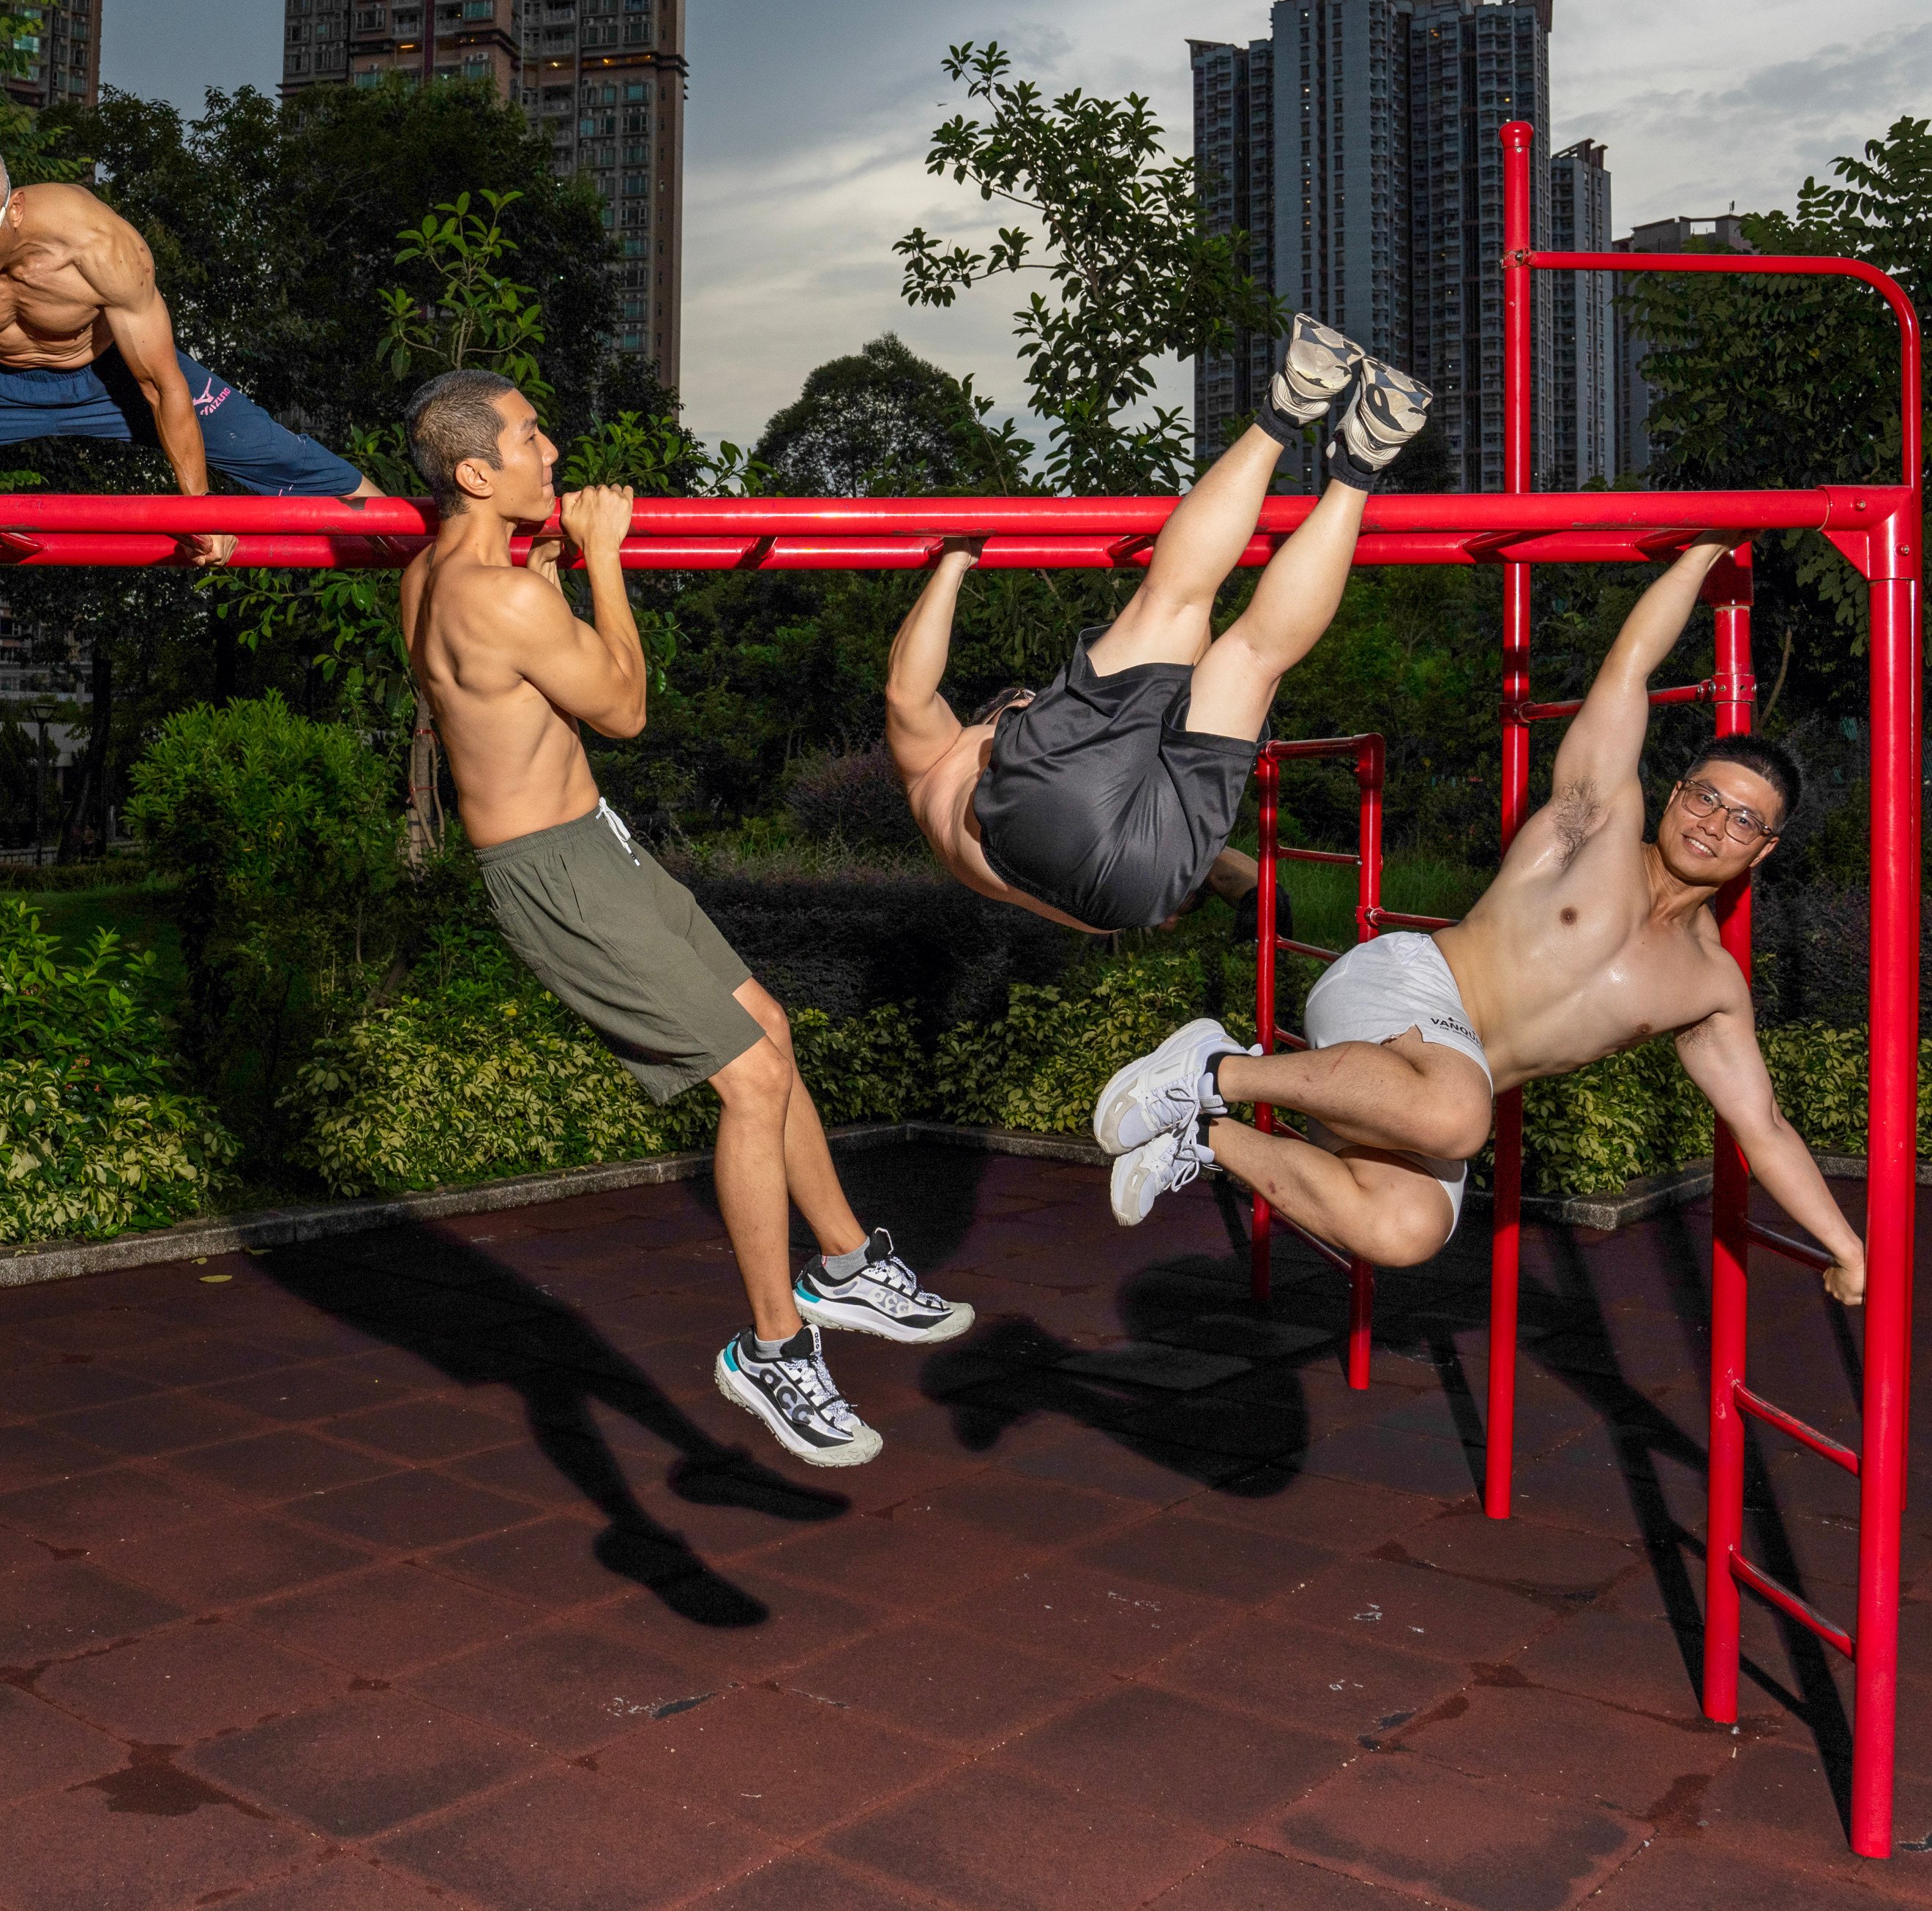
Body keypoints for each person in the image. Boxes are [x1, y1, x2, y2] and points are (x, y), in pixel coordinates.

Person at [397, 368, 973, 1472]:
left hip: (592, 847)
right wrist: (603, 561)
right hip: (557, 875)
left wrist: (555, 571)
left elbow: (498, 693)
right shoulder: (501, 595)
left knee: (770, 1029)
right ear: (476, 471)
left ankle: (847, 1265)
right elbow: (621, 708)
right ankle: (770, 1343)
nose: (552, 447)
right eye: (528, 435)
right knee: (750, 1076)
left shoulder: (432, 573)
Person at [1093, 536, 1868, 1306]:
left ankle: (1198, 1137)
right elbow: (1628, 669)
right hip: (1401, 987)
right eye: (1705, 796)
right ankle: (1209, 1069)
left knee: (1406, 1227)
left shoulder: (1709, 987)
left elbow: (1763, 1125)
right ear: (1672, 795)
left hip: (1427, 1092)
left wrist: (1847, 1246)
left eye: (1742, 820)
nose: (1713, 823)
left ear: (1763, 850)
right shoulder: (1594, 825)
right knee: (1463, 1113)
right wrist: (1704, 554)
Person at [884, 314, 1434, 935]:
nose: (1035, 700)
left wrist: (1245, 889)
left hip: (1132, 896)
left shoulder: (940, 777)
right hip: (1039, 829)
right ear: (998, 715)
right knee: (1171, 603)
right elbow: (907, 691)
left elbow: (1209, 854)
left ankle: (1361, 465)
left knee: (1253, 659)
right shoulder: (946, 758)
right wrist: (956, 561)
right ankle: (1290, 406)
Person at [0, 132, 381, 565]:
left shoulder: (98, 246)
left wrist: (201, 511)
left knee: (283, 458)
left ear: (12, 211)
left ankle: (408, 538)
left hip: (111, 377)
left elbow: (161, 385)